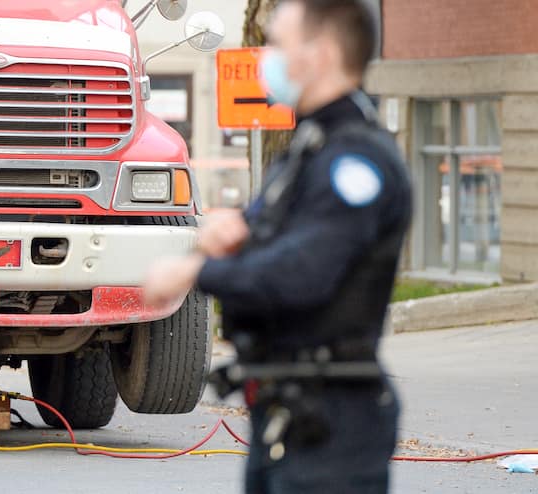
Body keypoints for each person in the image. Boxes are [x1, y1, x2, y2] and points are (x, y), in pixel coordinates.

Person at [144, 1, 409, 492]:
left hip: (334, 418)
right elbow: (267, 238)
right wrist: (231, 236)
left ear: (322, 54)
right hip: (286, 406)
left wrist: (193, 274)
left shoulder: (357, 161)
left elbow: (303, 273)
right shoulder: (311, 148)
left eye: (279, 44)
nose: (265, 57)